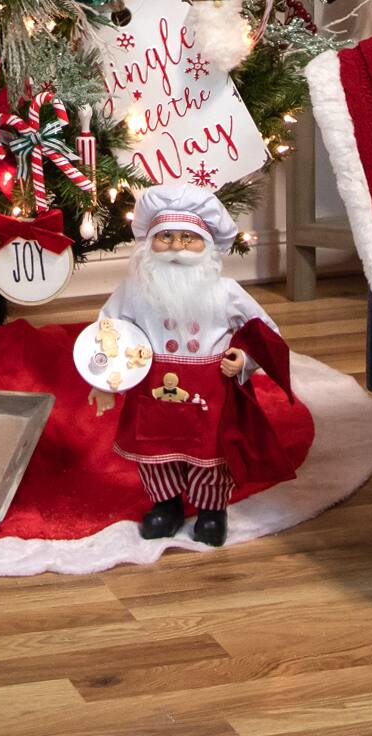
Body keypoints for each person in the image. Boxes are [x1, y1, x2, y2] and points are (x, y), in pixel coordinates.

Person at [95, 182, 292, 546]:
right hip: (151, 393)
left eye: (188, 238)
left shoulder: (227, 291)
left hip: (211, 394)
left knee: (212, 455)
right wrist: (105, 382)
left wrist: (244, 359)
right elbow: (108, 331)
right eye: (166, 236)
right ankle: (166, 506)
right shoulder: (133, 291)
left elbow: (267, 332)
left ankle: (211, 512)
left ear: (207, 245)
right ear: (150, 243)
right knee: (154, 455)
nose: (176, 246)